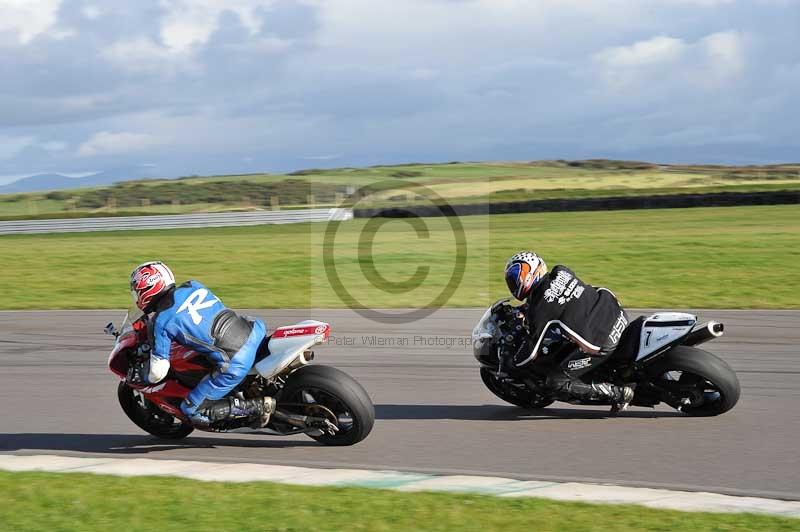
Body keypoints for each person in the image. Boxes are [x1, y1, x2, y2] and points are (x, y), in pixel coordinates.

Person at [127, 261, 275, 427]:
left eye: (137, 292)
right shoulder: (193, 285)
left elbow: (157, 373)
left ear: (147, 289)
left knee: (192, 410)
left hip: (236, 360)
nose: (137, 297)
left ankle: (256, 407)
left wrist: (142, 375)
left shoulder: (160, 322)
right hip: (253, 329)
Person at [503, 251, 634, 412]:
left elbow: (531, 352)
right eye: (512, 280)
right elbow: (558, 300)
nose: (515, 282)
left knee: (555, 382)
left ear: (532, 272)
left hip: (602, 341)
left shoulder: (538, 311)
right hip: (616, 313)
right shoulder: (561, 271)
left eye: (518, 275)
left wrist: (513, 362)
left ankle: (618, 394)